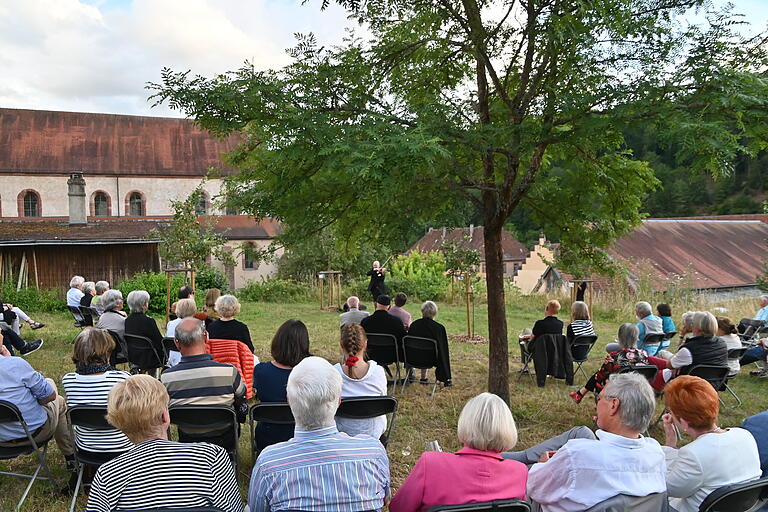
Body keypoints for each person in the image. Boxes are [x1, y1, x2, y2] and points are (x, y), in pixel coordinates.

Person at [248, 356, 390, 512]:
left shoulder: (269, 464)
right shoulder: (374, 453)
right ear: (339, 401)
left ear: (289, 401)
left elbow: (257, 508)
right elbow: (383, 500)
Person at [86, 375, 244, 512]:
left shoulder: (107, 476)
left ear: (119, 425)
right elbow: (233, 508)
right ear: (165, 417)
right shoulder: (211, 458)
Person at [518, 373, 666, 511]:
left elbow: (533, 487)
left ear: (614, 405)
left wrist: (543, 465)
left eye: (599, 398)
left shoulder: (577, 454)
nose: (596, 405)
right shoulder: (656, 453)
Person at [390, 393, 527, 512]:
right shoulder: (519, 472)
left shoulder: (431, 463)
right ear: (508, 428)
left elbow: (398, 508)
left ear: (466, 423)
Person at [661, 375, 761, 512]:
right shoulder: (745, 435)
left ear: (684, 422)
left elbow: (668, 488)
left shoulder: (693, 454)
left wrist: (669, 446)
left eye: (671, 412)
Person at [160, 318, 247, 447]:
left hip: (187, 439)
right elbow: (241, 398)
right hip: (224, 439)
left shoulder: (166, 378)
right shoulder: (229, 372)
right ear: (206, 337)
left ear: (177, 343)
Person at [0, 342, 75, 471]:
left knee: (48, 384)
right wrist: (9, 360)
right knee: (59, 399)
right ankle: (71, 456)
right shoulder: (15, 364)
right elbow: (50, 396)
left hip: (2, 441)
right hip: (35, 434)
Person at [61, 328, 132, 460]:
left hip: (86, 449)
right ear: (107, 353)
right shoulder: (122, 378)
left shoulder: (68, 380)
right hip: (122, 448)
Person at [252, 319, 311, 451]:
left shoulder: (261, 371)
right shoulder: (311, 373)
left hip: (269, 439)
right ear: (304, 344)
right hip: (303, 438)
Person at [570, 323, 648, 404]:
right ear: (636, 338)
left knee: (599, 375)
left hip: (617, 391)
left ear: (620, 338)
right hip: (637, 391)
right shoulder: (643, 354)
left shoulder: (614, 356)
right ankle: (579, 394)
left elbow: (600, 377)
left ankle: (581, 394)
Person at [334, 323, 387, 439]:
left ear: (341, 345)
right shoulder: (378, 373)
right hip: (374, 435)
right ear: (366, 344)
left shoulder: (333, 374)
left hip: (341, 435)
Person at [664, 311, 727, 382]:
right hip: (713, 385)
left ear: (698, 328)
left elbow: (669, 365)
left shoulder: (689, 349)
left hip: (689, 386)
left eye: (692, 324)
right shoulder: (722, 343)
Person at [407, 300, 453, 386]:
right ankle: (446, 379)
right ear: (435, 313)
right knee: (441, 352)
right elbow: (443, 351)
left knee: (422, 349)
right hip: (431, 360)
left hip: (412, 358)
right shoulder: (439, 328)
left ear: (422, 311)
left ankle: (416, 377)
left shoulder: (414, 325)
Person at [124, 290, 164, 363]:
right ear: (144, 304)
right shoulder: (149, 321)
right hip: (150, 358)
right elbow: (159, 341)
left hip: (133, 356)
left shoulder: (127, 320)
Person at [165, 298, 198, 366]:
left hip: (172, 360)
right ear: (193, 310)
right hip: (189, 360)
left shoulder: (170, 324)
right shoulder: (195, 324)